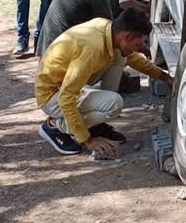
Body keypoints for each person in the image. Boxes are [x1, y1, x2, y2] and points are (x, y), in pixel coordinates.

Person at [35, 10, 174, 155]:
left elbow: (133, 59)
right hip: (52, 96)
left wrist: (165, 78)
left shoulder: (109, 30)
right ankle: (54, 126)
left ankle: (96, 125)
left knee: (120, 57)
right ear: (127, 36)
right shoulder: (92, 48)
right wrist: (87, 140)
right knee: (114, 103)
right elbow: (66, 97)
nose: (138, 49)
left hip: (68, 85)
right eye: (137, 45)